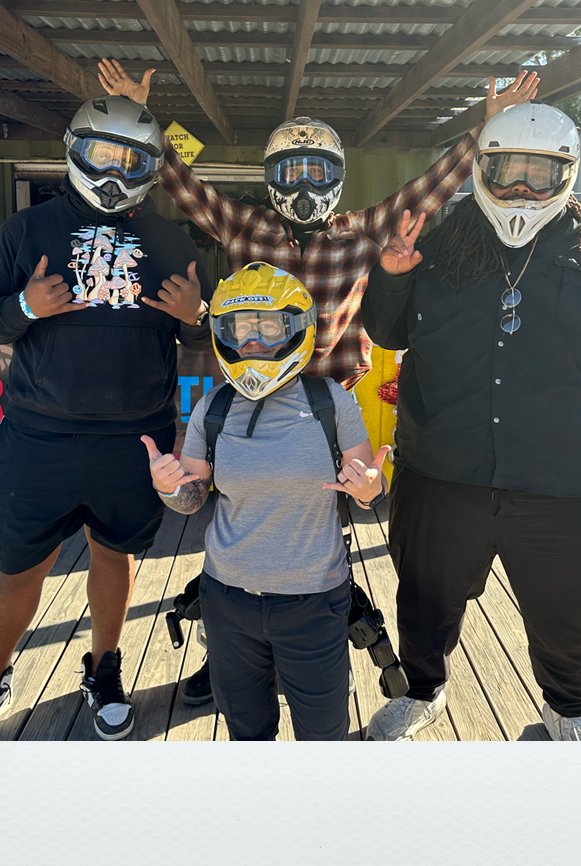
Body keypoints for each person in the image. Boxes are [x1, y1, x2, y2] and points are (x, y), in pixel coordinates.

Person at [96, 56, 540, 704]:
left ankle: (299, 650)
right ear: (271, 181)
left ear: (337, 179)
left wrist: (480, 138)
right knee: (232, 535)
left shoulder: (358, 233)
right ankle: (230, 657)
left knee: (314, 547)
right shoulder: (246, 225)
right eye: (290, 173)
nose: (304, 186)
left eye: (316, 173)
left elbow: (427, 192)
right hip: (245, 413)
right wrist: (142, 120)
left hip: (322, 420)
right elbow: (183, 185)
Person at [360, 102, 581, 741]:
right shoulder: (437, 244)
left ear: (567, 173)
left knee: (567, 610)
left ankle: (568, 709)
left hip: (563, 477)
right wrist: (394, 278)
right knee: (425, 595)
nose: (520, 188)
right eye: (508, 170)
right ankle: (422, 690)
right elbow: (387, 329)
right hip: (444, 468)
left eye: (540, 174)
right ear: (483, 168)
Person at [0, 95, 213, 741]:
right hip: (41, 435)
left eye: (133, 159)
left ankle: (104, 667)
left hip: (133, 437)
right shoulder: (27, 230)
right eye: (103, 153)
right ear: (74, 150)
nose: (116, 170)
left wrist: (198, 318)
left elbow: (213, 339)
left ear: (151, 167)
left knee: (114, 557)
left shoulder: (172, 238)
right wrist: (25, 307)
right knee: (17, 569)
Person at [142, 262, 389, 741]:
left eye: (269, 326)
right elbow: (192, 499)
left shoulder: (330, 401)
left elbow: (369, 485)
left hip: (315, 600)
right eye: (240, 329)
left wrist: (369, 488)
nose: (253, 342)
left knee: (324, 738)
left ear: (296, 329)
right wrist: (169, 486)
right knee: (247, 735)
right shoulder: (213, 407)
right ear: (223, 333)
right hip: (228, 600)